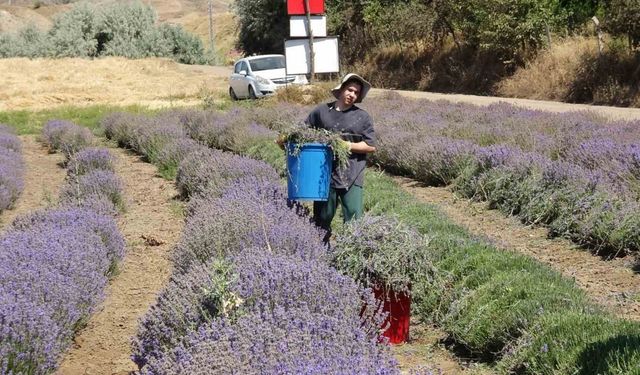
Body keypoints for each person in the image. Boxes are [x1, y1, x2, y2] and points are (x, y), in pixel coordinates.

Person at [305, 73, 376, 242]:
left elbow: (370, 146)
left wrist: (346, 145)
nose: (352, 94)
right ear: (342, 89)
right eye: (349, 90)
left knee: (354, 219)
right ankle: (319, 250)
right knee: (322, 217)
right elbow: (303, 131)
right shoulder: (322, 111)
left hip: (352, 173)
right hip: (324, 174)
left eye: (356, 93)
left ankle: (352, 254)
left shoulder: (362, 117)